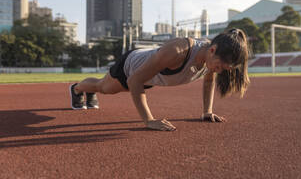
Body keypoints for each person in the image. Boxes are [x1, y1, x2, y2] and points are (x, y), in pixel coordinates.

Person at [69, 28, 250, 131]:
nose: (219, 71)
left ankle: (88, 91)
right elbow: (134, 81)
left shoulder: (211, 59)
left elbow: (209, 81)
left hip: (150, 78)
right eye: (219, 66)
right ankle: (77, 89)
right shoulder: (179, 51)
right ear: (212, 50)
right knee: (104, 87)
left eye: (224, 69)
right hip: (131, 67)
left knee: (108, 88)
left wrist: (207, 111)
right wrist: (149, 120)